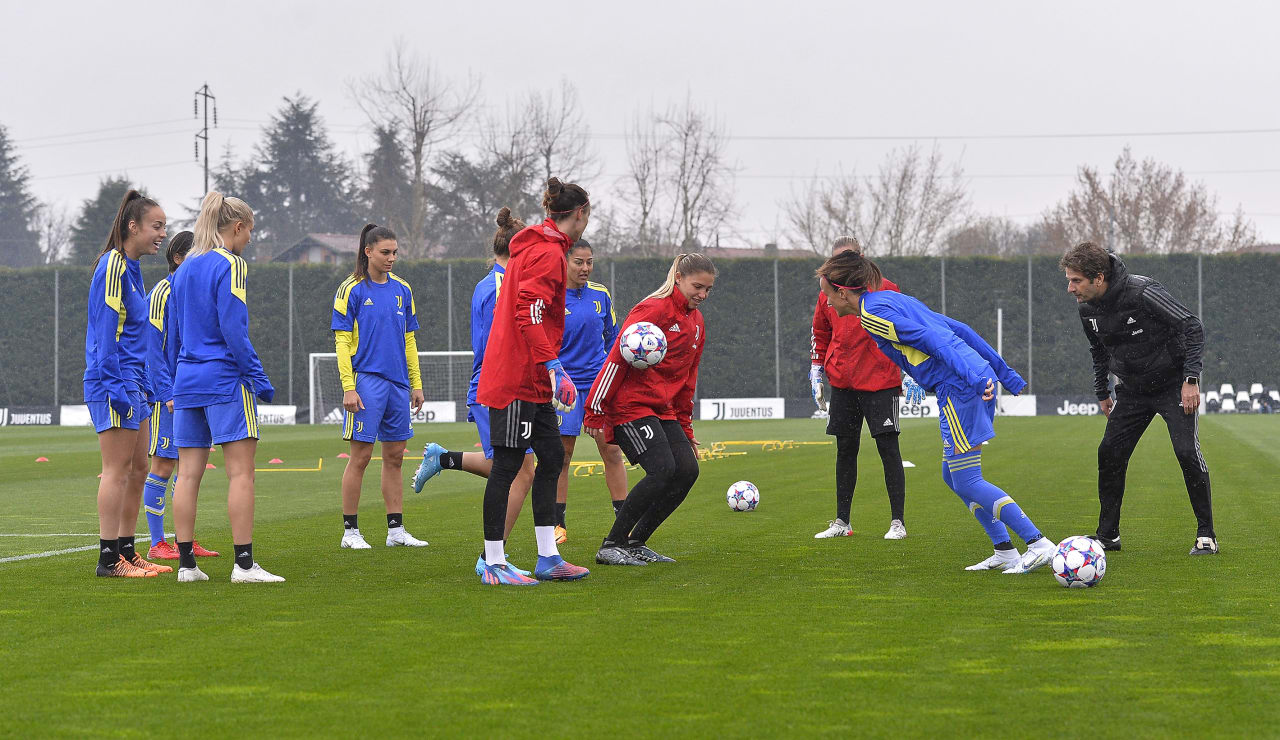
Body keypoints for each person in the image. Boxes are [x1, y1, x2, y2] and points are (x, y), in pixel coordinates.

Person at [816, 250, 1056, 574]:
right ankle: (1005, 550)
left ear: (842, 291)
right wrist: (1002, 372)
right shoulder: (886, 299)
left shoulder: (872, 315)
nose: (827, 302)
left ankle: (1038, 543)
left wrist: (974, 376)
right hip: (967, 380)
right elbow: (959, 328)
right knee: (953, 476)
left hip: (960, 387)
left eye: (827, 294)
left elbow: (935, 337)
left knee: (968, 480)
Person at [1061, 241, 1216, 555]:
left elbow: (1192, 326)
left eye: (1076, 280)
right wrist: (1102, 392)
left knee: (1187, 451)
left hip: (1173, 384)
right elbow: (1098, 351)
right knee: (1109, 453)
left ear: (1098, 278)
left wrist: (1191, 379)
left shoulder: (1143, 292)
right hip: (1132, 390)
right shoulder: (1086, 309)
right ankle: (1108, 536)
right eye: (1069, 280)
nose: (1070, 288)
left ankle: (1206, 535)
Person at [473, 179, 593, 585]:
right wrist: (554, 366)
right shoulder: (546, 252)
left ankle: (547, 556)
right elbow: (529, 313)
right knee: (506, 465)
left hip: (531, 377)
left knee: (552, 457)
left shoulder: (543, 246)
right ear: (580, 213)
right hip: (516, 377)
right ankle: (492, 562)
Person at [413, 207, 538, 577]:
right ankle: (492, 558)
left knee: (514, 467)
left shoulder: (496, 283)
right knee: (521, 472)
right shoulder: (498, 288)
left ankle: (444, 459)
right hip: (499, 387)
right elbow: (490, 347)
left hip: (502, 386)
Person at [169, 191, 281, 583]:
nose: (250, 239)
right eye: (249, 231)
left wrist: (173, 383)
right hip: (223, 380)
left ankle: (186, 566)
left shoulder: (183, 270)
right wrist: (258, 377)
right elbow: (234, 329)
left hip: (186, 381)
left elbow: (173, 335)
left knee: (187, 475)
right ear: (236, 227)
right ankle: (244, 565)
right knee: (241, 473)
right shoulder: (231, 264)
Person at [587, 253, 715, 566]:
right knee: (662, 469)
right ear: (680, 278)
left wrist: (686, 428)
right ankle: (610, 545)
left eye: (709, 289)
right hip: (630, 405)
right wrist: (595, 409)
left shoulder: (696, 323)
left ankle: (635, 541)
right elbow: (617, 357)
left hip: (664, 409)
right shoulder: (652, 309)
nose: (703, 294)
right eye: (697, 286)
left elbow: (688, 378)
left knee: (687, 471)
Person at [85, 189, 169, 578]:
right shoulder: (113, 266)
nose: (162, 234)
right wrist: (116, 387)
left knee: (140, 467)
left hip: (136, 383)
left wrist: (147, 383)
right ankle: (107, 561)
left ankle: (126, 551)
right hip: (113, 382)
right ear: (132, 226)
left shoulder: (133, 269)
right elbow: (105, 335)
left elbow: (138, 337)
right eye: (157, 226)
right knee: (116, 470)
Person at [809, 236, 914, 541]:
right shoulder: (826, 292)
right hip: (843, 380)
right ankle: (842, 521)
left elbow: (906, 333)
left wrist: (910, 372)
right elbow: (820, 330)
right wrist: (817, 369)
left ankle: (898, 522)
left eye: (849, 258)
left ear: (861, 258)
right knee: (845, 449)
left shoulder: (887, 289)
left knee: (888, 448)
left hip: (881, 381)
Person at [333, 224, 429, 550]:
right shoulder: (352, 289)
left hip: (398, 385)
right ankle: (350, 532)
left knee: (396, 457)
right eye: (385, 252)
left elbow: (409, 340)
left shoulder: (403, 289)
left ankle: (396, 531)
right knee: (359, 457)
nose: (391, 258)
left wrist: (415, 383)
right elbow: (343, 343)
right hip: (366, 382)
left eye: (395, 253)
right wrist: (349, 387)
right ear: (368, 251)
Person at [142, 231, 218, 561]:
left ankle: (183, 540)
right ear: (178, 258)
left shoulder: (191, 292)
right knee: (163, 463)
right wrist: (165, 391)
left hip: (188, 389)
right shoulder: (164, 290)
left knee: (189, 466)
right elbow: (152, 346)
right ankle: (157, 542)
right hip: (167, 395)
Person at [550, 237, 628, 544]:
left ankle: (624, 522)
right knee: (562, 457)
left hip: (598, 387)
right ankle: (558, 525)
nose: (585, 268)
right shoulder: (552, 297)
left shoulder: (600, 295)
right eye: (578, 262)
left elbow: (611, 339)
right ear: (564, 262)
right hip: (564, 391)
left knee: (611, 450)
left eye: (589, 262)